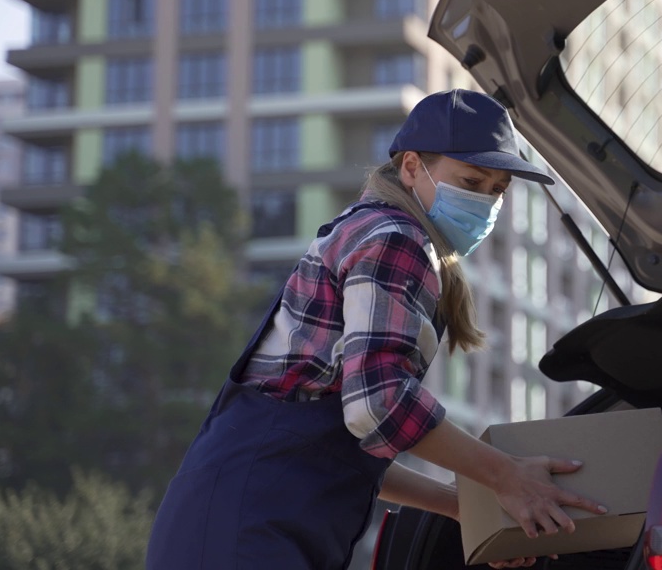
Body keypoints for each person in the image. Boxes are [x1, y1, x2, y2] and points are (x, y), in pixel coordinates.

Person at [146, 89, 605, 570]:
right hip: (248, 530)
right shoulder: (396, 239)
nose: (485, 202)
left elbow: (353, 443)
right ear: (411, 168)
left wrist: (465, 507)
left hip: (231, 518)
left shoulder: (364, 228)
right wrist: (506, 477)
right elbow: (382, 406)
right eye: (471, 180)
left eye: (498, 190)